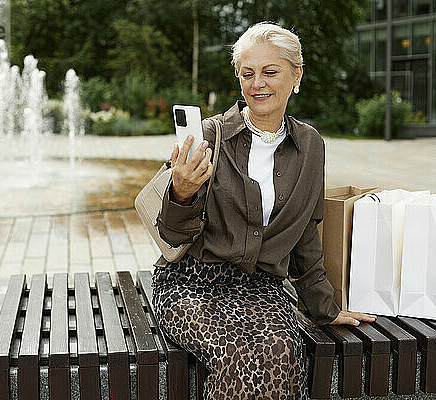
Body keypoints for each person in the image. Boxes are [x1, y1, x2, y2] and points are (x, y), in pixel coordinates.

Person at [150, 22, 377, 399]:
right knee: (244, 355)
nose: (258, 84)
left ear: (296, 75)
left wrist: (324, 306)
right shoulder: (207, 137)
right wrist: (182, 192)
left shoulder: (310, 145)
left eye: (270, 72)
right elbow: (170, 235)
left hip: (261, 287)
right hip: (190, 284)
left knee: (282, 350)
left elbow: (305, 232)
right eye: (247, 73)